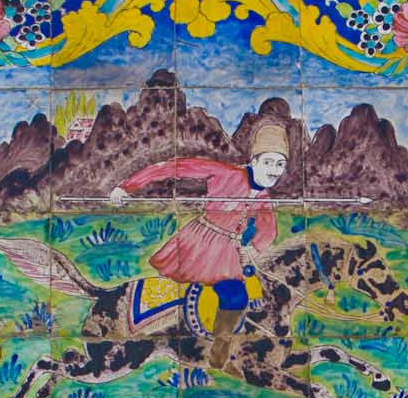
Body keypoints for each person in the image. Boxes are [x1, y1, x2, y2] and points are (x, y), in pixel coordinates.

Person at [108, 117, 289, 370]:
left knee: (238, 296)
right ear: (254, 161)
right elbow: (174, 167)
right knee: (223, 292)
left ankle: (218, 352)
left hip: (228, 252)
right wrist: (127, 187)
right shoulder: (226, 173)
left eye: (280, 164)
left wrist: (253, 247)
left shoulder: (264, 197)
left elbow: (269, 229)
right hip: (200, 244)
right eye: (268, 162)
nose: (274, 170)